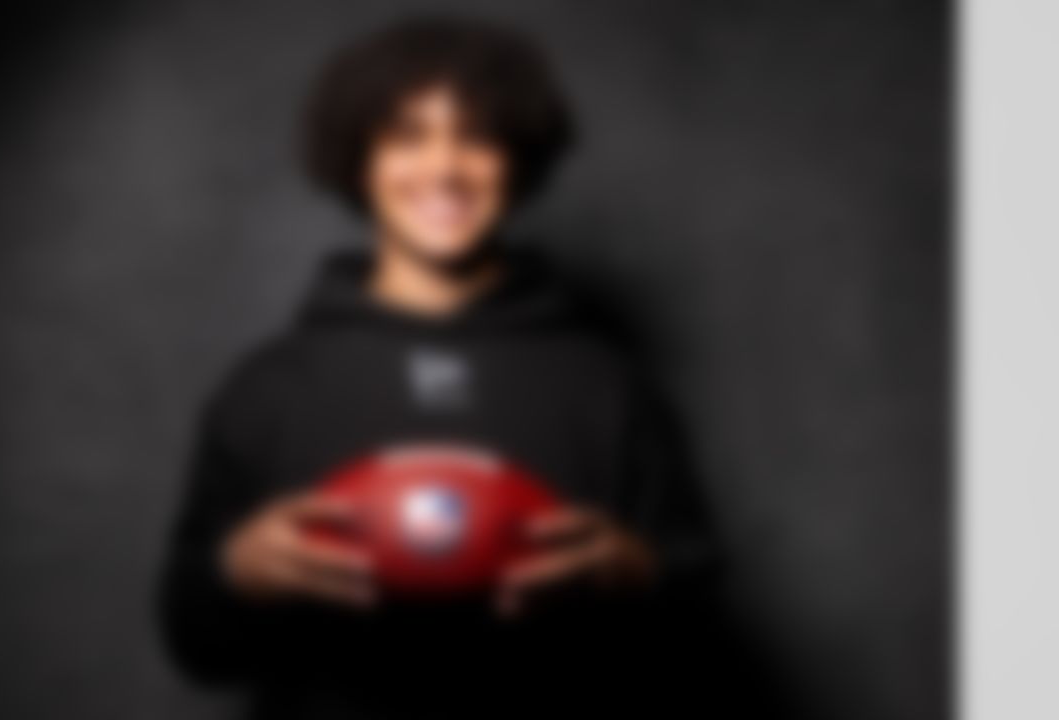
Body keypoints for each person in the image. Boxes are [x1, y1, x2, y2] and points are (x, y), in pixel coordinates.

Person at [159, 16, 733, 720]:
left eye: (477, 136)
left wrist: (641, 575)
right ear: (358, 161)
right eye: (407, 136)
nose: (444, 169)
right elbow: (193, 643)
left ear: (516, 160)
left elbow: (704, 631)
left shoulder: (608, 389)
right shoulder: (269, 390)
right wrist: (233, 575)